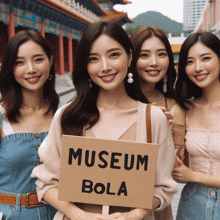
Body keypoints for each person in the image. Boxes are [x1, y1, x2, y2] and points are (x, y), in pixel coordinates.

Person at [32, 20, 177, 220]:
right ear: (85, 65)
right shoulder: (67, 116)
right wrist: (77, 214)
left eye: (114, 55)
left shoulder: (153, 119)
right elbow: (46, 181)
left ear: (129, 57)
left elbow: (164, 187)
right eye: (94, 59)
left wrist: (136, 214)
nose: (105, 67)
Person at [0, 29, 59, 219]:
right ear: (10, 68)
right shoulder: (2, 117)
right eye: (20, 62)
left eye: (38, 59)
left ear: (50, 61)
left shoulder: (65, 115)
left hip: (60, 213)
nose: (30, 69)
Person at [130, 26, 181, 220]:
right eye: (144, 55)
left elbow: (177, 169)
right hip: (116, 203)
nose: (154, 63)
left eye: (161, 54)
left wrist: (165, 136)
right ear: (131, 59)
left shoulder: (176, 105)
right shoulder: (117, 100)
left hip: (157, 205)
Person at [172, 32, 220, 220]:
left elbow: (187, 174)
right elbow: (176, 166)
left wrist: (192, 175)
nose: (198, 68)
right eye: (190, 61)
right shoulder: (184, 108)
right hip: (192, 204)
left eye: (206, 58)